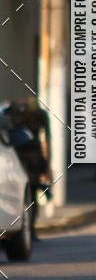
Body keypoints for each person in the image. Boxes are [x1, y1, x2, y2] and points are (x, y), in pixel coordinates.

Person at [6, 96, 51, 239]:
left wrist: (47, 163)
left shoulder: (27, 116)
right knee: (29, 194)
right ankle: (29, 229)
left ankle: (29, 228)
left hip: (29, 159)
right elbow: (47, 141)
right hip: (24, 158)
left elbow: (46, 140)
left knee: (30, 193)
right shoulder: (17, 116)